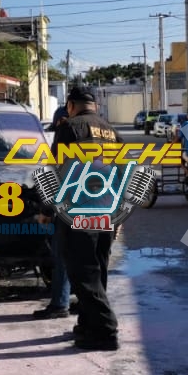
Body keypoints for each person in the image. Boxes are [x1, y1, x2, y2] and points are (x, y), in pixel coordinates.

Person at [40, 86, 123, 350]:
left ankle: (106, 330)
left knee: (82, 273)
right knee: (97, 270)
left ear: (71, 105)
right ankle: (89, 327)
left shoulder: (69, 128)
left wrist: (47, 210)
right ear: (95, 106)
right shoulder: (110, 131)